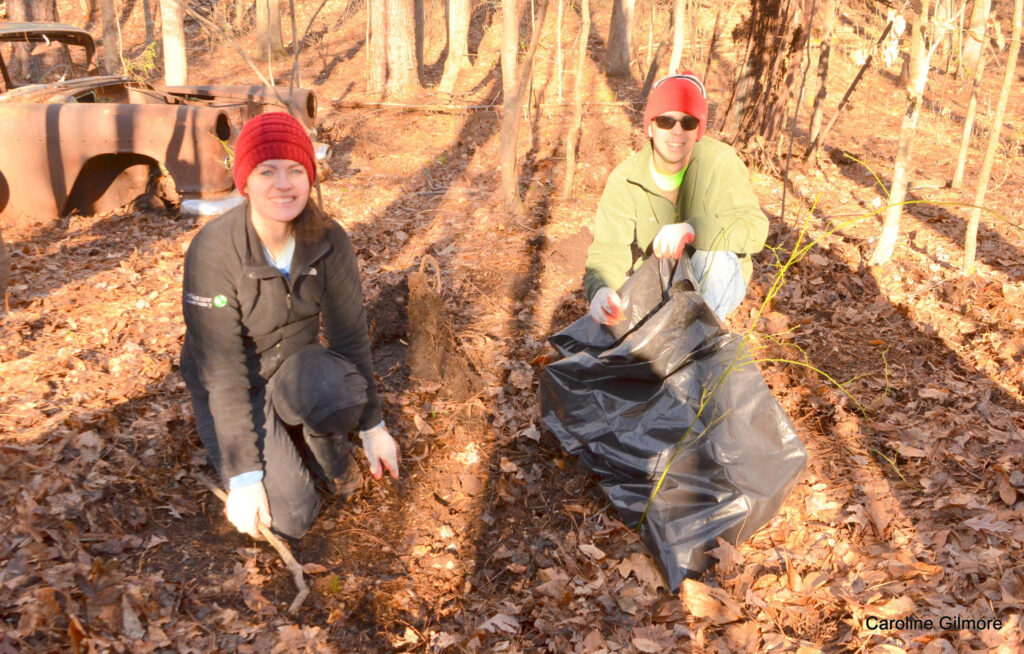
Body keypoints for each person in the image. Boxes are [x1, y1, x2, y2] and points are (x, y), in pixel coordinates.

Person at [180, 112, 399, 541]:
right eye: (267, 171)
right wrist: (244, 478)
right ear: (245, 180)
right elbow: (222, 374)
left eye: (295, 170)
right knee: (293, 517)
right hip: (232, 384)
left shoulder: (329, 240)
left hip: (295, 365)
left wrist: (373, 427)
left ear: (310, 177)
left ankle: (332, 462)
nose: (283, 184)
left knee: (338, 391)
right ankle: (267, 452)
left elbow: (350, 338)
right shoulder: (214, 251)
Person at [584, 71, 769, 323]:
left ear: (698, 130)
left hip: (717, 279)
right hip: (660, 282)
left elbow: (755, 229)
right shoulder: (626, 179)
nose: (677, 131)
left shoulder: (720, 163)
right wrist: (602, 290)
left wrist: (692, 229)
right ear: (650, 126)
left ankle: (698, 339)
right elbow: (607, 250)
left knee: (712, 257)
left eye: (688, 122)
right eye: (665, 121)